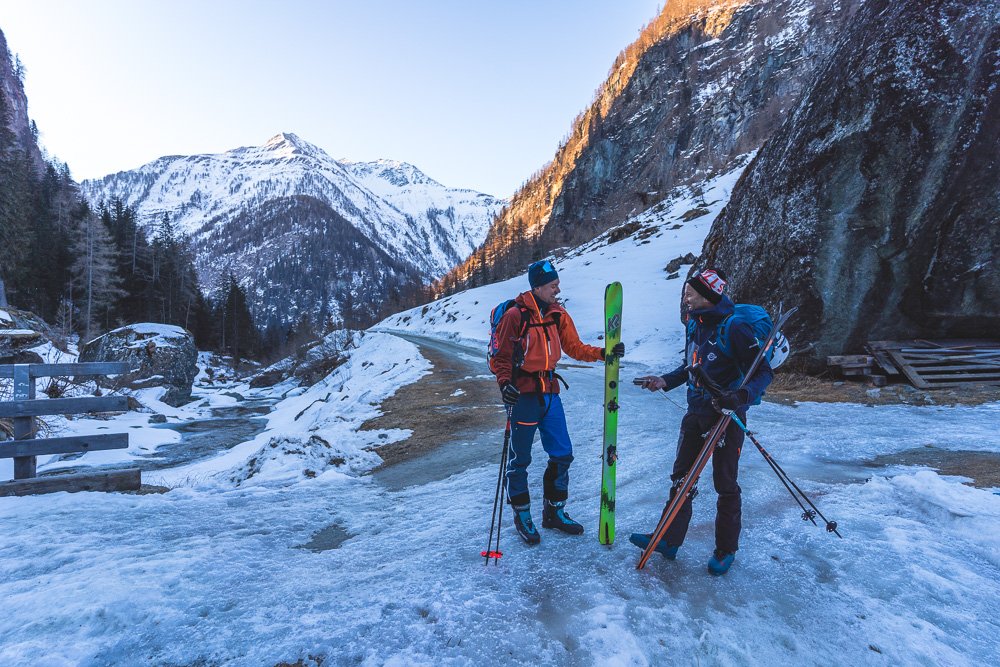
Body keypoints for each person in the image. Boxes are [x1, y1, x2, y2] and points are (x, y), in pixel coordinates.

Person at [632, 267, 773, 575]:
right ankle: (669, 540)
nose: (685, 297)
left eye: (691, 293)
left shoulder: (734, 328)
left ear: (708, 297)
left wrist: (741, 396)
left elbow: (764, 372)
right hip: (695, 412)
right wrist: (664, 381)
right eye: (686, 292)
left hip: (727, 417)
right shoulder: (694, 323)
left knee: (725, 483)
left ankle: (725, 550)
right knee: (681, 479)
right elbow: (690, 366)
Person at [493, 259, 624, 544]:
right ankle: (522, 513)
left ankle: (554, 511)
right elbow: (500, 357)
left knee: (562, 453)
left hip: (550, 393)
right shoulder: (515, 316)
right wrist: (505, 385)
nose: (557, 289)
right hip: (523, 395)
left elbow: (574, 348)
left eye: (557, 284)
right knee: (521, 459)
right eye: (553, 285)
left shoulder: (557, 314)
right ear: (538, 286)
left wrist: (604, 353)